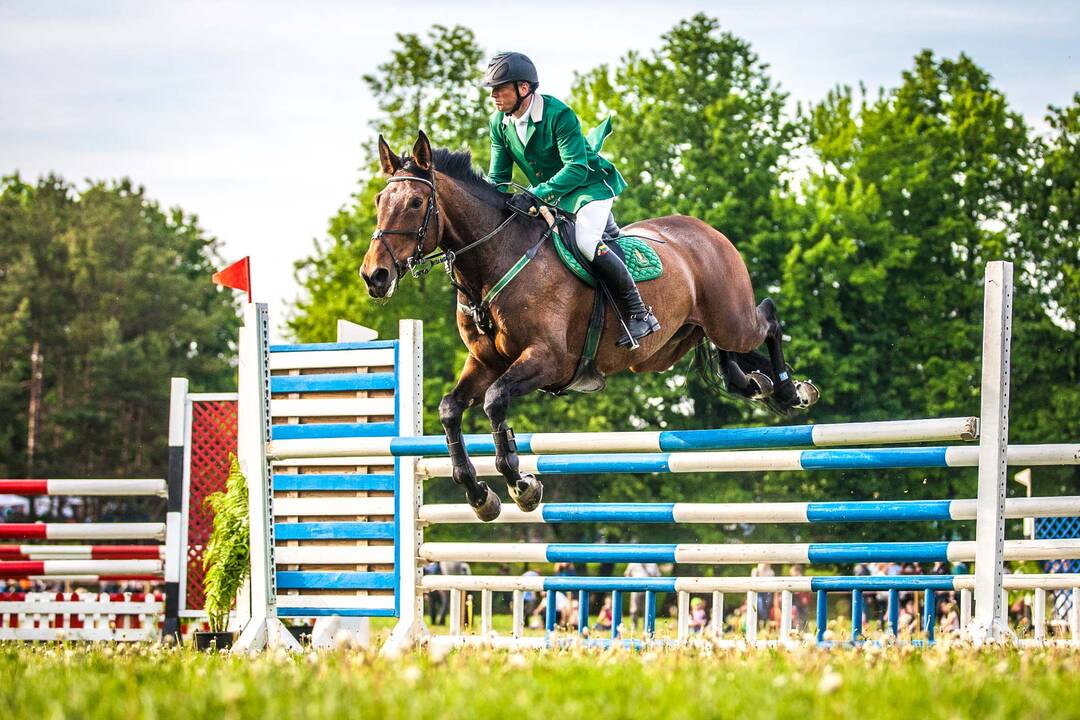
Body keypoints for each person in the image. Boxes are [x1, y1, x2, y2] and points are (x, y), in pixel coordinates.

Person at [483, 51, 660, 347]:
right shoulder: (499, 124)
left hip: (590, 186)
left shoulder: (558, 114)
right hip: (554, 194)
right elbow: (498, 178)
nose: (494, 96)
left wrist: (536, 194)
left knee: (586, 242)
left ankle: (639, 312)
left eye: (500, 89)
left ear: (523, 88)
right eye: (492, 90)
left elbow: (577, 167)